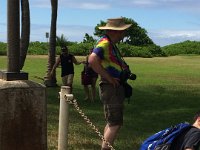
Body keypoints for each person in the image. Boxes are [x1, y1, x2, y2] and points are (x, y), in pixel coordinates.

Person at [88, 17, 132, 150]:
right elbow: (92, 59)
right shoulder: (105, 44)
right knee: (115, 123)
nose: (124, 34)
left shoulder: (110, 44)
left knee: (112, 122)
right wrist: (108, 77)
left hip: (114, 87)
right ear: (115, 32)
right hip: (110, 87)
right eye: (122, 31)